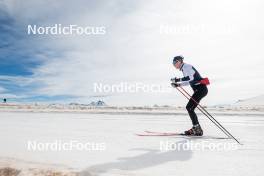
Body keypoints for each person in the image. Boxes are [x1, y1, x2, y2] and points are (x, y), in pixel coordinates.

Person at [171, 55, 208, 136]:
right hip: (199, 90)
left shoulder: (187, 66)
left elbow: (190, 78)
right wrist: (178, 85)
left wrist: (178, 80)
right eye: (173, 63)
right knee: (190, 108)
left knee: (189, 107)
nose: (174, 65)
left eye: (174, 62)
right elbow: (189, 81)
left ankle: (197, 129)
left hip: (201, 89)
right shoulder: (184, 69)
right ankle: (196, 128)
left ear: (179, 61)